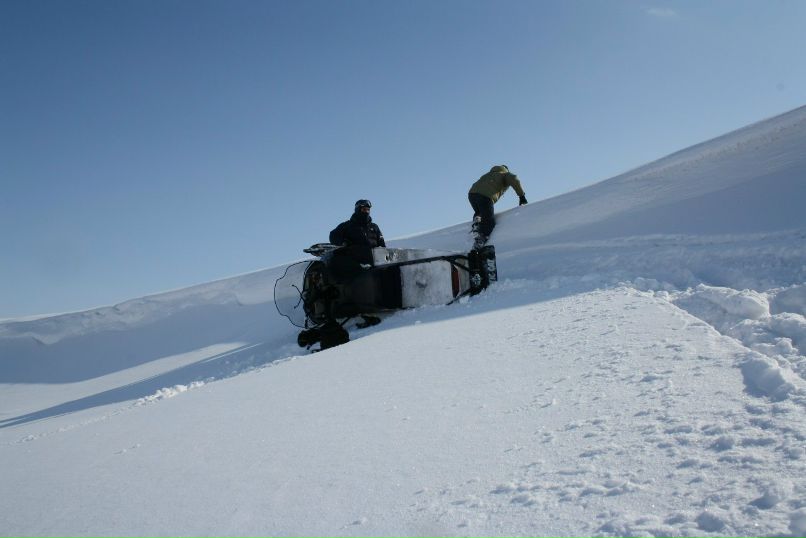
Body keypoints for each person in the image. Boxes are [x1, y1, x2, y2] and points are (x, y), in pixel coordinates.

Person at [468, 165, 527, 247]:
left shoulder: (489, 174)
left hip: (472, 194)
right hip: (485, 196)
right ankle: (481, 240)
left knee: (480, 212)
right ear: (506, 170)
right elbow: (514, 178)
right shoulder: (504, 174)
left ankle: (477, 222)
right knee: (489, 221)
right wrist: (521, 196)